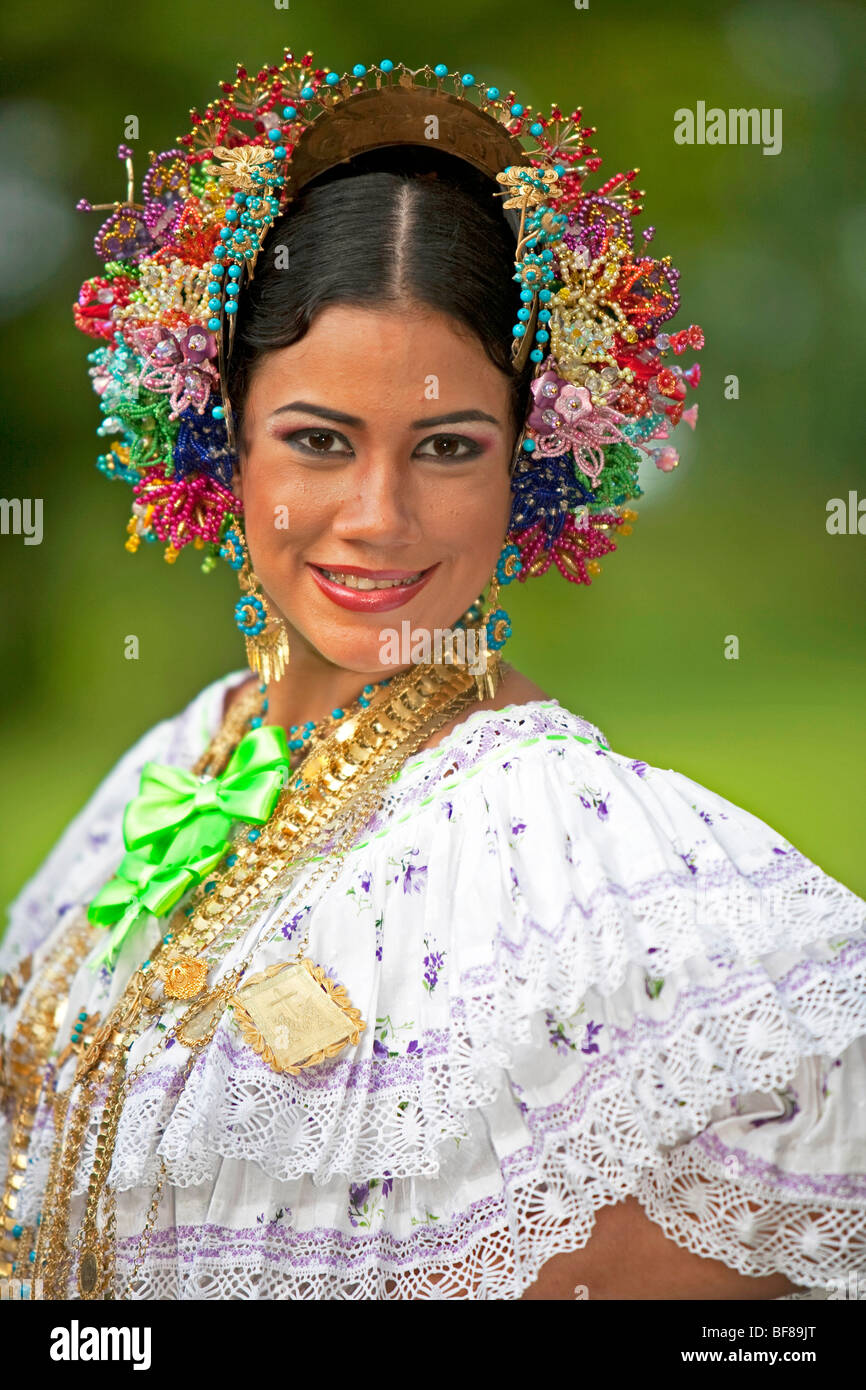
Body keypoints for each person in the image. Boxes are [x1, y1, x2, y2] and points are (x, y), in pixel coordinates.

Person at [1, 50, 864, 1302]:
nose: (378, 516)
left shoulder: (573, 852)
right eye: (316, 440)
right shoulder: (169, 762)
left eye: (447, 447)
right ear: (216, 427)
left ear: (532, 465)